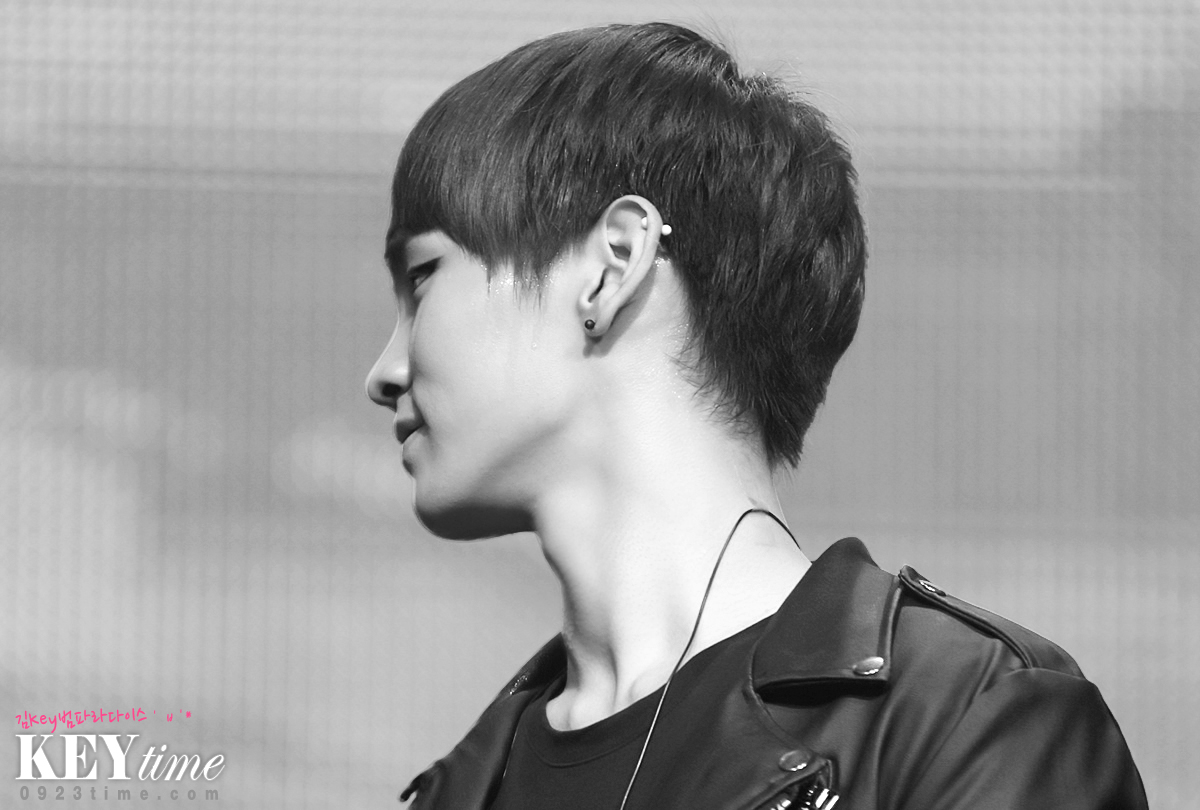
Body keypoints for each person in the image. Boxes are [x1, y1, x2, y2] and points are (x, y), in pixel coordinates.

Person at [366, 22, 1146, 810]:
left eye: (422, 278)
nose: (383, 372)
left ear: (613, 266)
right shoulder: (461, 788)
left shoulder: (969, 722)